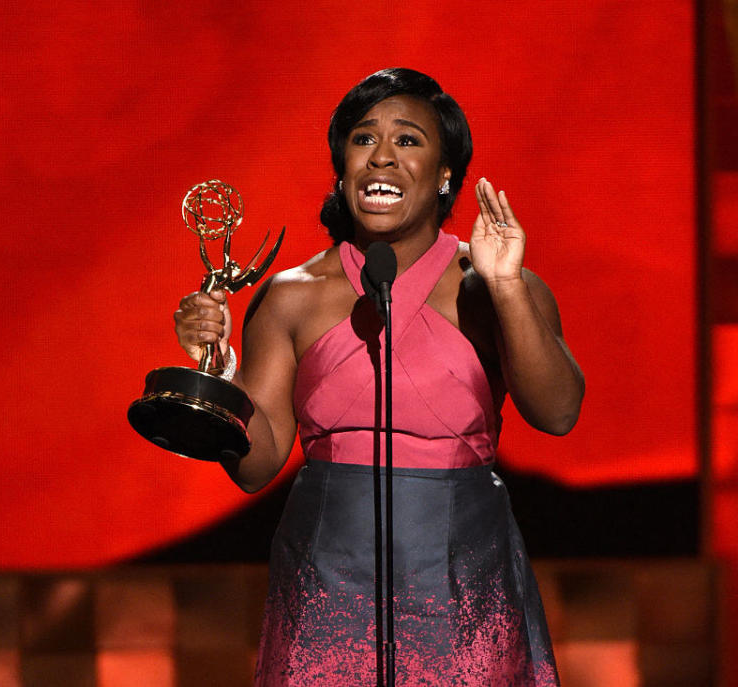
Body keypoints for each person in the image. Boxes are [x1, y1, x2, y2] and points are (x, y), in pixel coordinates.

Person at [174, 68, 584, 686]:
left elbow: (558, 414)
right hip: (326, 588)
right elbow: (256, 467)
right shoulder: (293, 296)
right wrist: (216, 369)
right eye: (364, 139)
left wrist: (505, 287)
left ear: (446, 174)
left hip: (462, 583)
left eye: (409, 140)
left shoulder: (494, 288)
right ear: (342, 168)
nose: (382, 157)